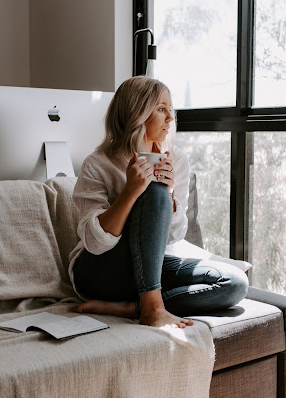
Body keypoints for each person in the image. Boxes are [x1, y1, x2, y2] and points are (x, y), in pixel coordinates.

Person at [68, 76, 249, 328]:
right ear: (137, 113)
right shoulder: (98, 163)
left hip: (146, 271)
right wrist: (131, 191)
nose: (170, 119)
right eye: (161, 109)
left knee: (234, 283)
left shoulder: (177, 160)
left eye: (170, 110)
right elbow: (94, 243)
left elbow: (173, 237)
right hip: (99, 273)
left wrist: (169, 193)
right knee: (153, 191)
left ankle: (134, 307)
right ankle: (153, 309)